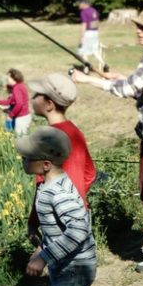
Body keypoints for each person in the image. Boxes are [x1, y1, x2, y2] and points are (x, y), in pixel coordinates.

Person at [72, 6, 143, 283]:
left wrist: (88, 79)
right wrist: (121, 76)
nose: (138, 30)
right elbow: (139, 84)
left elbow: (129, 90)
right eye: (138, 26)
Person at [17, 127, 97, 286]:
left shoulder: (59, 193)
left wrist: (44, 256)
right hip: (65, 268)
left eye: (27, 158)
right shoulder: (48, 186)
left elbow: (78, 230)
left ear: (45, 164)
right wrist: (41, 247)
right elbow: (61, 230)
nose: (22, 161)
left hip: (75, 270)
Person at [27, 73, 97, 204]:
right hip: (78, 212)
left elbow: (42, 185)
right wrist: (77, 195)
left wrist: (33, 221)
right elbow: (90, 173)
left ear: (49, 105)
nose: (32, 98)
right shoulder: (76, 132)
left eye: (37, 95)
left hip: (55, 215)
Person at [0, 69, 32, 136]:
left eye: (8, 78)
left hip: (21, 118)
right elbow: (10, 101)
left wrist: (10, 115)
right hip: (24, 116)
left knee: (20, 139)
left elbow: (19, 104)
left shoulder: (17, 88)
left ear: (14, 78)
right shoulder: (20, 86)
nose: (7, 79)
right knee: (21, 137)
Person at [77, 0, 106, 71]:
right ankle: (104, 64)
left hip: (88, 33)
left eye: (80, 4)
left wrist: (81, 37)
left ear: (84, 4)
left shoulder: (84, 12)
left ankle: (86, 69)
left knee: (83, 51)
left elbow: (84, 24)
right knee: (95, 51)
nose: (79, 5)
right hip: (95, 32)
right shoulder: (94, 11)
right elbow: (97, 22)